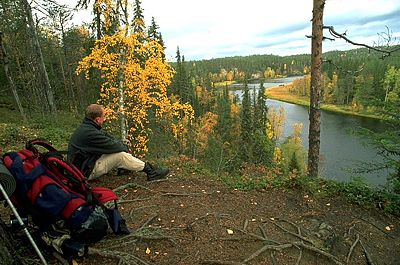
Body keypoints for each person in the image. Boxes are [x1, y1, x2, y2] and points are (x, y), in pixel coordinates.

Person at [68, 104, 169, 181]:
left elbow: (107, 137)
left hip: (82, 166)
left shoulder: (87, 127)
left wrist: (122, 145)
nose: (105, 119)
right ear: (98, 119)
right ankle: (151, 171)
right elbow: (114, 146)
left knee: (119, 149)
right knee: (120, 155)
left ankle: (127, 168)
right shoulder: (90, 133)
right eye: (104, 116)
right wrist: (125, 148)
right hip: (84, 173)